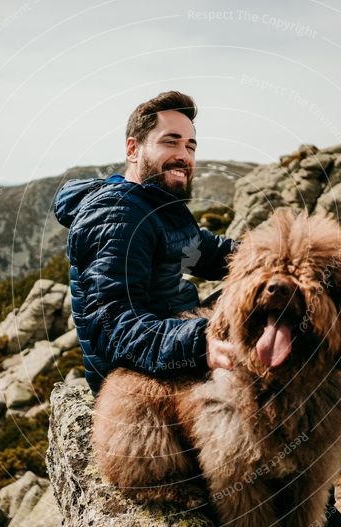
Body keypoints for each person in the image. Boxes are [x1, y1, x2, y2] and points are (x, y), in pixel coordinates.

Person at [53, 91, 237, 395]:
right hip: (137, 380)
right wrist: (200, 344)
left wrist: (273, 258)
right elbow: (113, 329)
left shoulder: (154, 208)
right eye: (170, 141)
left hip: (172, 345)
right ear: (133, 149)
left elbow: (211, 251)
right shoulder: (117, 213)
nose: (184, 155)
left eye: (190, 146)